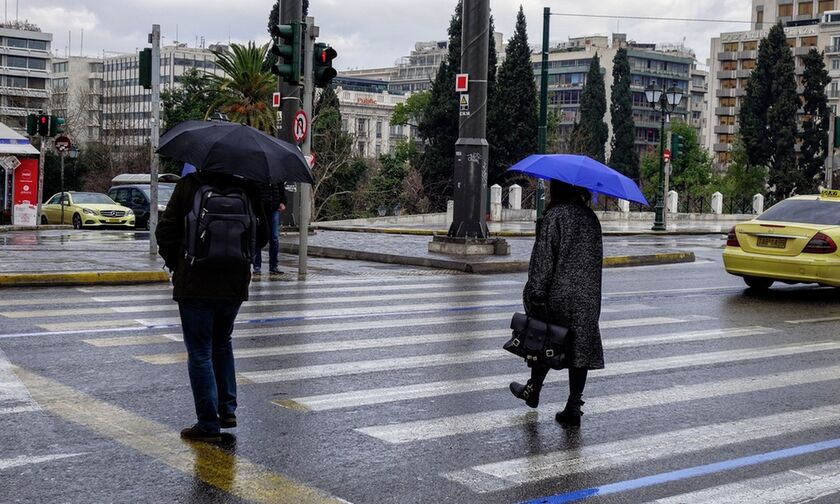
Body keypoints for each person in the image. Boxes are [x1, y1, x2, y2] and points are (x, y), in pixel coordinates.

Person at [156, 171, 268, 442]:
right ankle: (227, 409)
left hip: (195, 282)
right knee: (222, 342)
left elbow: (165, 231)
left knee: (200, 352)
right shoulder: (248, 187)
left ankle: (208, 423)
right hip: (234, 284)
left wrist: (177, 264)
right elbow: (262, 235)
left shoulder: (190, 185)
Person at [509, 179, 604, 428]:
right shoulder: (591, 219)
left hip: (558, 295)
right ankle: (574, 405)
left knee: (544, 341)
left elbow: (543, 261)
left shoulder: (555, 217)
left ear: (558, 189)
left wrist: (536, 293)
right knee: (579, 349)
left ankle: (533, 390)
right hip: (587, 297)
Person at [253, 182, 286, 276]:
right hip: (260, 207)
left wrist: (282, 201)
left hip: (273, 206)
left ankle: (273, 265)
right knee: (258, 235)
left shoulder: (276, 172)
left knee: (274, 238)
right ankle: (257, 266)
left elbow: (281, 186)